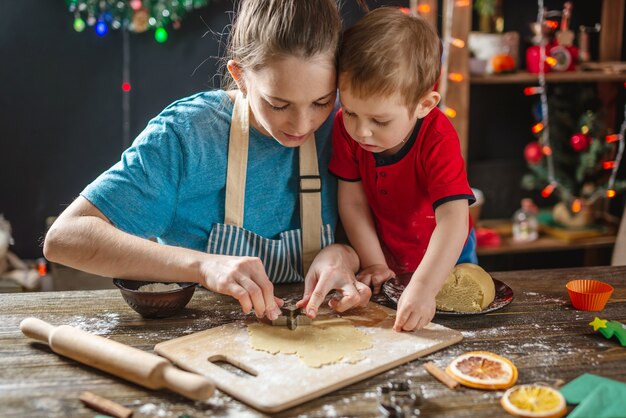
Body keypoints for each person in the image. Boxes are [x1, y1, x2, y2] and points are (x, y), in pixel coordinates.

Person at [44, 0, 371, 321]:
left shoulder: (350, 126)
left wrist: (342, 256)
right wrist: (203, 265)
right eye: (279, 104)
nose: (302, 125)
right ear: (240, 75)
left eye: (321, 101)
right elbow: (65, 238)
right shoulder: (186, 136)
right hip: (196, 340)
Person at [328, 7, 477, 332]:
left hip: (446, 260)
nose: (361, 131)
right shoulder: (345, 128)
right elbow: (352, 202)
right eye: (351, 111)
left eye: (380, 121)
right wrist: (374, 262)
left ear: (425, 104)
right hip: (387, 252)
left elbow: (453, 219)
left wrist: (425, 287)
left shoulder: (437, 137)